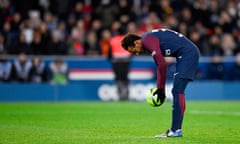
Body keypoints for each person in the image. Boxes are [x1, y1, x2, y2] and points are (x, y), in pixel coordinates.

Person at [121, 28, 200, 138]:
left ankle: (175, 130)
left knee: (177, 91)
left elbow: (162, 64)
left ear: (136, 42)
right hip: (185, 54)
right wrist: (161, 89)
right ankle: (175, 129)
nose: (137, 54)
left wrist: (160, 89)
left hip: (188, 54)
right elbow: (161, 65)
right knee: (177, 91)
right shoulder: (148, 39)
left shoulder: (147, 40)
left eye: (134, 50)